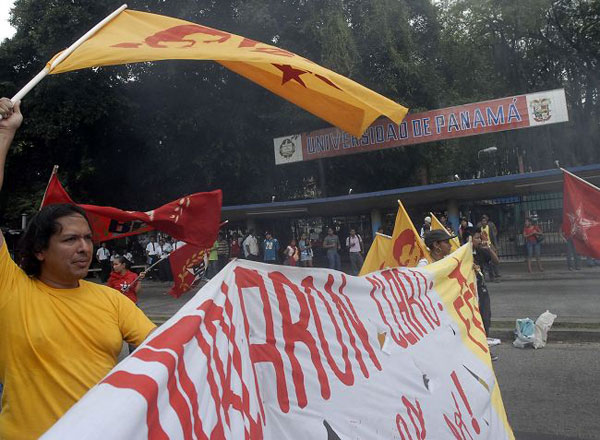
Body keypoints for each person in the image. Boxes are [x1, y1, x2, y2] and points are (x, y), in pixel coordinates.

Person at [0, 96, 156, 439]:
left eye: (87, 238)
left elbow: (163, 351)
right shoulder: (11, 290)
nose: (84, 247)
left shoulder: (111, 300)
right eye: (70, 240)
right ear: (40, 250)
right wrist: (5, 134)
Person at [467, 227, 499, 361]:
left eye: (480, 237)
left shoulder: (481, 251)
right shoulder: (460, 254)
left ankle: (485, 350)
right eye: (476, 238)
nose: (479, 240)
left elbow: (496, 261)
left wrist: (489, 247)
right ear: (468, 239)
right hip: (468, 294)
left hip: (482, 290)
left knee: (485, 320)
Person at [479, 214, 500, 280]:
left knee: (494, 259)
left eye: (485, 221)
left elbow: (494, 236)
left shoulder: (490, 227)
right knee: (488, 261)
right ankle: (491, 275)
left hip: (490, 244)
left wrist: (495, 245)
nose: (484, 222)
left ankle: (496, 273)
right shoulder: (479, 228)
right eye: (483, 221)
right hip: (483, 246)